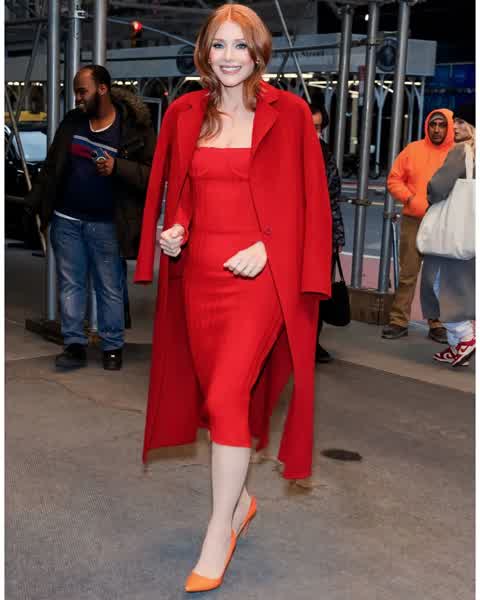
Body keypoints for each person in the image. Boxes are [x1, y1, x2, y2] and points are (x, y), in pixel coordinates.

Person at [134, 4, 332, 592]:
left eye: (240, 45)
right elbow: (185, 191)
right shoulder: (185, 112)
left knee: (225, 396)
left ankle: (219, 530)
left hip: (261, 281)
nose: (228, 57)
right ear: (204, 51)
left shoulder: (289, 114)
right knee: (218, 400)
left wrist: (270, 249)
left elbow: (308, 203)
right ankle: (242, 501)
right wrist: (177, 229)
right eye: (218, 45)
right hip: (200, 277)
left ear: (258, 52)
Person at [26, 65, 155, 370]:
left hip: (108, 223)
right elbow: (53, 166)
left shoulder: (134, 128)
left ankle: (112, 346)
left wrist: (117, 167)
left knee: (109, 287)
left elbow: (152, 175)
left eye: (82, 91)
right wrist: (35, 204)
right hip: (66, 220)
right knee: (71, 284)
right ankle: (74, 345)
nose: (78, 98)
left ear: (102, 89)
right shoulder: (73, 121)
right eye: (76, 93)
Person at [382, 109, 455, 342]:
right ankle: (398, 321)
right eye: (433, 124)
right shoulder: (412, 150)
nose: (436, 129)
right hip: (413, 221)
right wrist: (410, 199)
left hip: (443, 223)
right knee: (408, 274)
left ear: (449, 127)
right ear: (427, 126)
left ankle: (437, 323)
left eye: (442, 125)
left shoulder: (457, 153)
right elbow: (394, 179)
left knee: (437, 277)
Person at [420, 103, 476, 367]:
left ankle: (465, 338)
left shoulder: (461, 151)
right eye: (456, 121)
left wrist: (430, 195)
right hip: (470, 233)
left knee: (439, 284)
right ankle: (457, 347)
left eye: (462, 122)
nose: (455, 126)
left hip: (450, 234)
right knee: (460, 285)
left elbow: (438, 187)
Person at [311, 103, 345, 363]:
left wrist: (336, 237)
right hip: (288, 236)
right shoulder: (283, 152)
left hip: (320, 235)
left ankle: (312, 342)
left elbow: (333, 197)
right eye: (310, 126)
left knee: (317, 292)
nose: (315, 133)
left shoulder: (324, 152)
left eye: (319, 127)